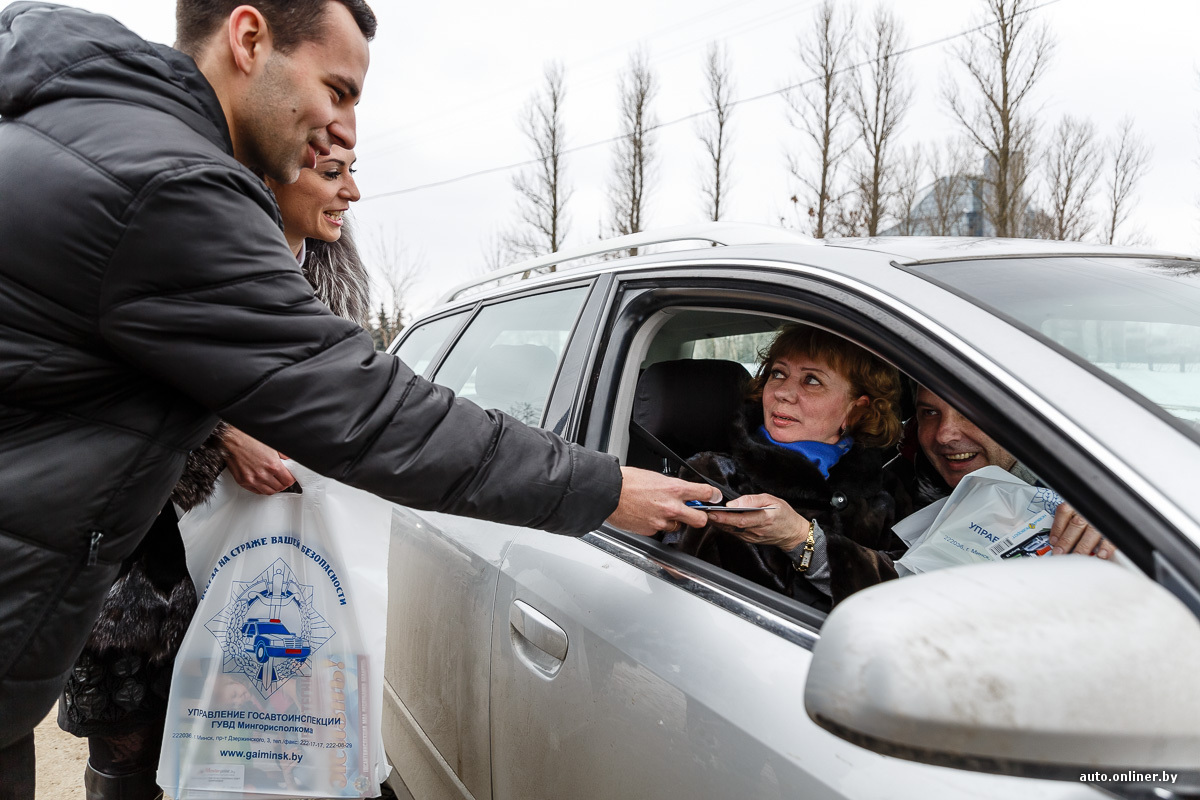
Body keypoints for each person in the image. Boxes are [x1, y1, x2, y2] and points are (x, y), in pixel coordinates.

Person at [0, 1, 716, 793]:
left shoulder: (86, 135)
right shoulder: (169, 185)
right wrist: (606, 485)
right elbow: (375, 416)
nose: (342, 129)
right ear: (248, 39)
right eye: (337, 90)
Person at [56, 144, 369, 799]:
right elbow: (106, 376)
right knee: (130, 751)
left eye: (353, 172)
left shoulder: (338, 285)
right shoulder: (173, 255)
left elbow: (356, 406)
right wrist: (222, 432)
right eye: (333, 173)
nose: (352, 193)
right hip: (148, 550)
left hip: (273, 558)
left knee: (254, 748)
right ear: (271, 176)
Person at [671, 324, 913, 608]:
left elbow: (907, 594)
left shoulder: (884, 490)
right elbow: (687, 595)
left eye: (811, 380)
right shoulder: (713, 475)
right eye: (778, 374)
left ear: (856, 409)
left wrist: (801, 538)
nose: (783, 393)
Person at [911, 386, 1116, 559]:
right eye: (930, 412)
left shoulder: (1083, 498)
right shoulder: (911, 479)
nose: (944, 435)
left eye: (970, 411)